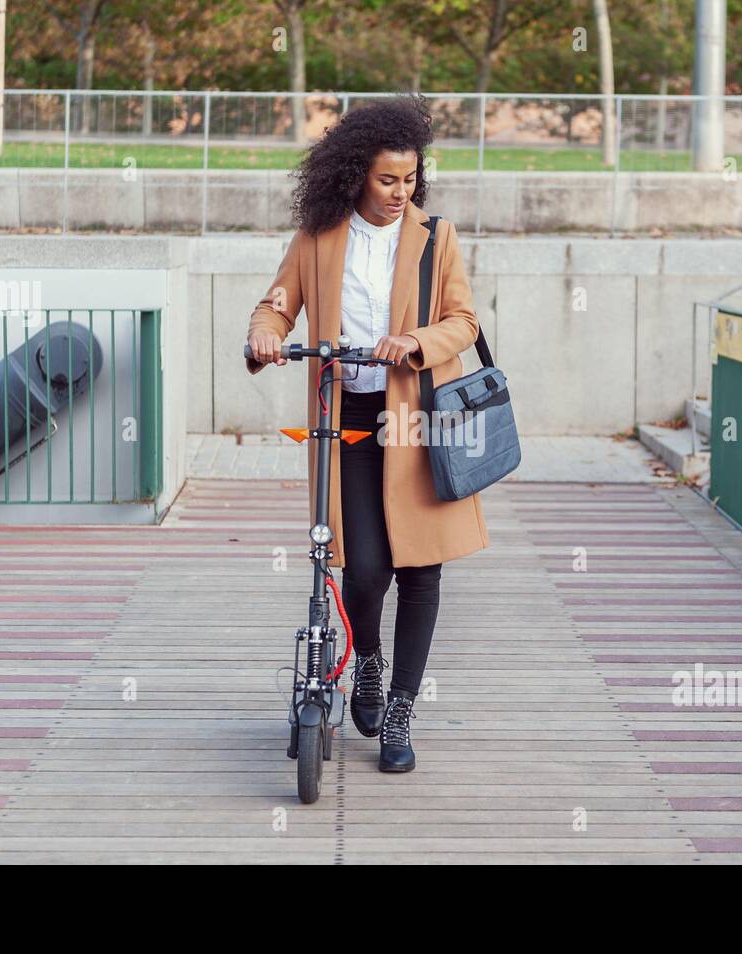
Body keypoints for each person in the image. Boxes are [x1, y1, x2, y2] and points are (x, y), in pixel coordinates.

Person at [245, 93, 490, 773]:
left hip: (416, 419)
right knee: (365, 567)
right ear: (355, 172)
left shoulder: (435, 238)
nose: (398, 193)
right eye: (387, 179)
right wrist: (265, 337)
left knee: (422, 569)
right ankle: (369, 660)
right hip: (347, 421)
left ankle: (400, 714)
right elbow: (276, 306)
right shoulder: (319, 236)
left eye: (410, 180)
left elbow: (465, 322)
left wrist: (413, 340)